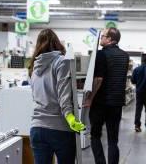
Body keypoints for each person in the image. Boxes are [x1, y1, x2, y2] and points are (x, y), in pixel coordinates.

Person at [28, 28, 85, 164]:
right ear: (57, 42)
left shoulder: (33, 66)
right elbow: (63, 95)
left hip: (37, 128)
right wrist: (70, 118)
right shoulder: (61, 62)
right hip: (60, 129)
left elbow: (36, 97)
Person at [84, 27, 129, 164]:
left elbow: (99, 79)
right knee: (113, 140)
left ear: (109, 39)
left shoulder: (101, 54)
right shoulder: (125, 55)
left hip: (101, 103)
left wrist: (90, 98)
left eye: (103, 36)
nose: (101, 38)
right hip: (117, 103)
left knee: (95, 136)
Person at [131, 56, 146, 132]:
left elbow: (133, 81)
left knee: (138, 109)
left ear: (142, 61)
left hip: (139, 92)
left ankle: (137, 125)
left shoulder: (136, 69)